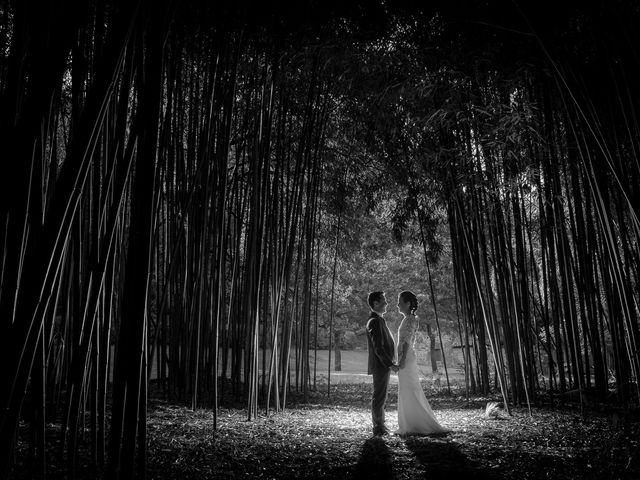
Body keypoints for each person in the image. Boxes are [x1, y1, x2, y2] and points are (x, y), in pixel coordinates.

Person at [395, 290, 449, 435]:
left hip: (406, 358)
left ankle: (414, 424)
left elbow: (406, 342)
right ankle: (411, 423)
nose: (397, 305)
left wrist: (401, 361)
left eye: (400, 302)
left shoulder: (409, 320)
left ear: (407, 304)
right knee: (409, 389)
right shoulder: (410, 318)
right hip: (407, 357)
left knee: (409, 390)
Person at [365, 291, 398, 436]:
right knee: (379, 396)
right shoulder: (374, 321)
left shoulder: (379, 320)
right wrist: (389, 363)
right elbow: (378, 347)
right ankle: (378, 427)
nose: (386, 303)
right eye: (383, 300)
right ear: (376, 303)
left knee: (381, 395)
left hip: (382, 365)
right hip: (380, 365)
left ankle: (380, 425)